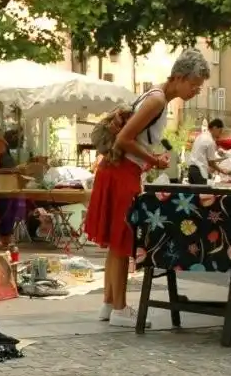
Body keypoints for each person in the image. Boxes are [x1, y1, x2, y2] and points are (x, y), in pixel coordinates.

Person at [84, 48, 210, 328]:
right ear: (179, 77)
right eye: (194, 84)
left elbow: (127, 137)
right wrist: (154, 160)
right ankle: (120, 309)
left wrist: (149, 159)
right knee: (121, 241)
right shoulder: (157, 100)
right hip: (122, 172)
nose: (195, 91)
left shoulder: (153, 96)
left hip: (116, 170)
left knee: (115, 242)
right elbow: (124, 139)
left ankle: (109, 303)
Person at [187, 119, 226, 185]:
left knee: (195, 191)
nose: (220, 134)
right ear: (215, 128)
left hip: (191, 169)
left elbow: (204, 157)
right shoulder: (210, 141)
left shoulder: (200, 136)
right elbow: (211, 163)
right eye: (220, 131)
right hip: (199, 170)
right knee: (203, 190)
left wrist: (221, 159)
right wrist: (222, 171)